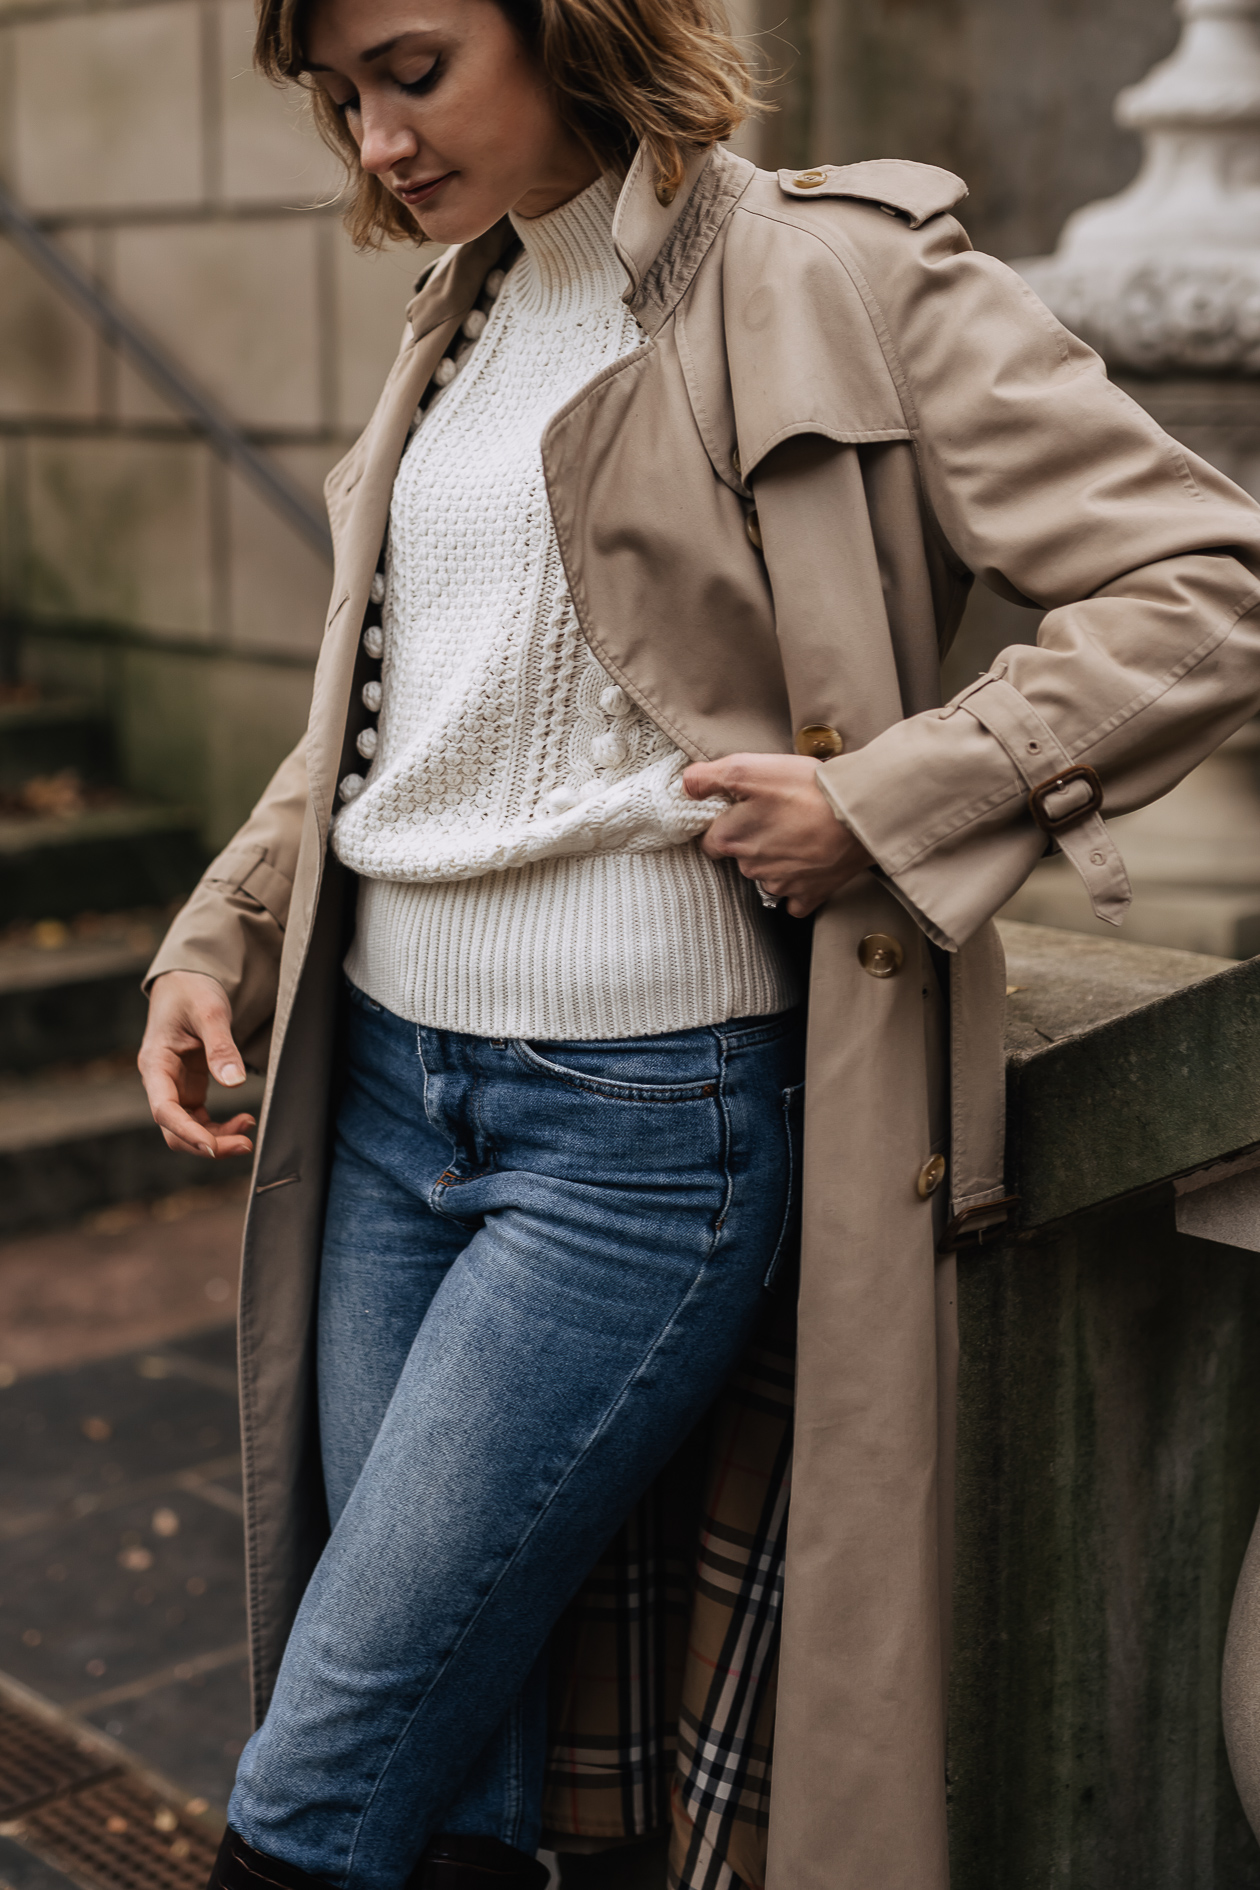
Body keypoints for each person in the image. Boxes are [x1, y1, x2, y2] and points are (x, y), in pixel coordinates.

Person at [136, 0, 1260, 1880]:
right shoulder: (461, 316)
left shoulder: (833, 269)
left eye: (411, 71)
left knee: (320, 1759)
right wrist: (216, 934)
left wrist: (895, 794)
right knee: (466, 1757)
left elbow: (1207, 582)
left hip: (643, 1138)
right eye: (340, 99)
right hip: (394, 1101)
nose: (374, 141)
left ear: (569, 23)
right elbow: (393, 719)